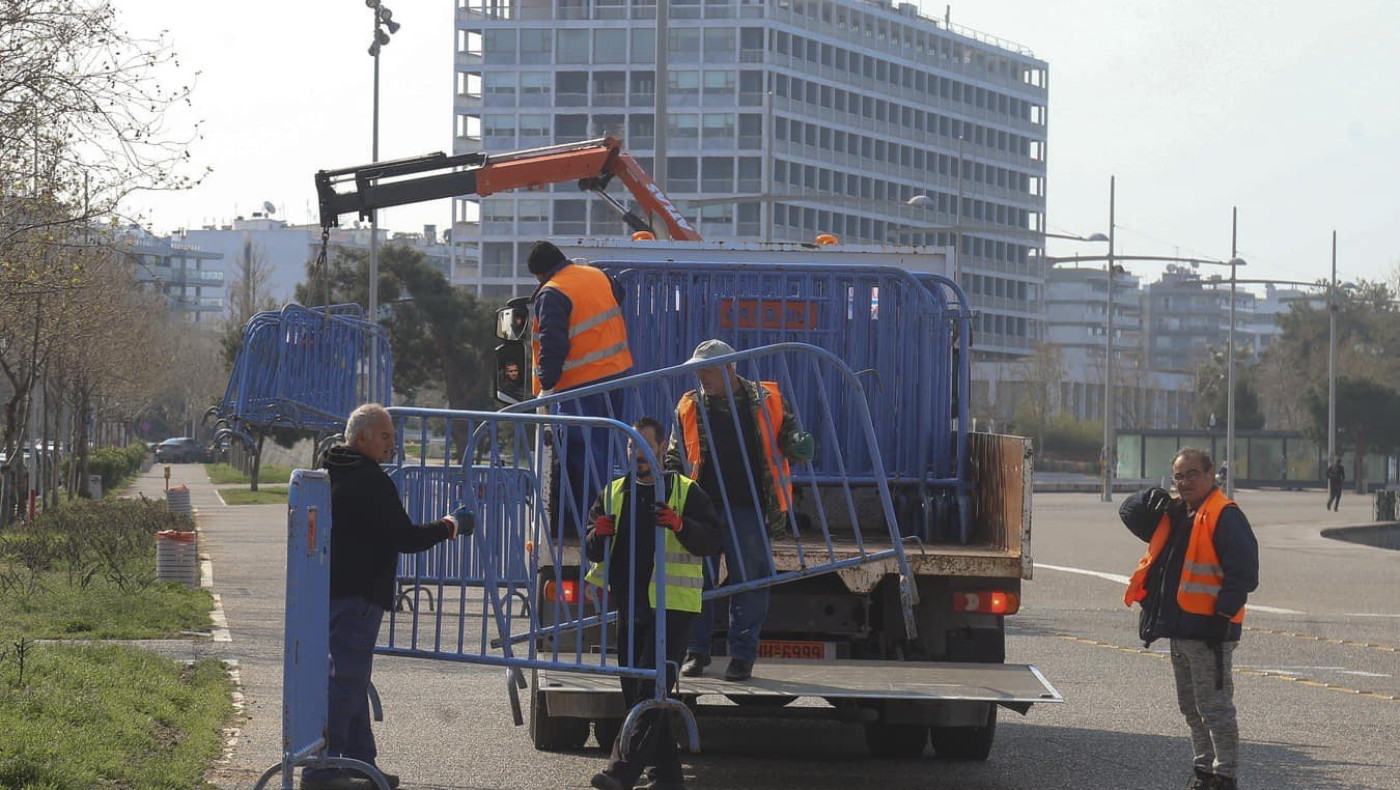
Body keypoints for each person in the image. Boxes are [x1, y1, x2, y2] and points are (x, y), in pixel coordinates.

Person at [303, 404, 474, 790]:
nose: (391, 444)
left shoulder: (328, 470)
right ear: (361, 436)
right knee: (347, 681)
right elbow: (406, 537)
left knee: (353, 679)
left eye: (393, 437)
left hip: (329, 591)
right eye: (385, 436)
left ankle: (362, 765)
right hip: (360, 596)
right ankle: (322, 771)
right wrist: (451, 525)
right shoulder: (371, 480)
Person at [584, 417, 722, 790]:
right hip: (630, 606)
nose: (639, 454)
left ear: (662, 449)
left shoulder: (685, 491)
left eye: (646, 447)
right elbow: (592, 547)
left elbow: (713, 541)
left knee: (651, 692)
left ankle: (620, 773)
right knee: (635, 690)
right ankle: (667, 777)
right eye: (633, 447)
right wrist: (596, 536)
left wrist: (681, 526)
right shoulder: (614, 492)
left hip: (671, 609)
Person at [667, 339, 814, 682]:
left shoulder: (766, 400)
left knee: (751, 581)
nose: (700, 375)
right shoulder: (689, 405)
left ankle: (742, 656)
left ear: (730, 368)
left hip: (748, 506)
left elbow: (789, 434)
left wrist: (798, 444)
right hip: (701, 507)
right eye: (697, 369)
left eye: (707, 369)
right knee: (694, 581)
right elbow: (676, 455)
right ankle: (696, 651)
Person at [1119, 448, 1259, 790]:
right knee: (1191, 707)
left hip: (1210, 631)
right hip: (1181, 628)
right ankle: (1203, 771)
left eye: (1192, 474)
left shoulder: (1224, 514)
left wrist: (1222, 618)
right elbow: (1128, 513)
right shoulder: (1180, 513)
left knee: (1215, 708)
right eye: (1179, 477)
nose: (1185, 482)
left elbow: (1245, 573)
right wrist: (1150, 497)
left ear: (1212, 474)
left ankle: (1224, 775)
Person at [528, 240, 634, 532]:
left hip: (580, 385)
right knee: (602, 452)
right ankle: (602, 516)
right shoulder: (595, 275)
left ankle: (587, 524)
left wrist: (546, 386)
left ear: (540, 274)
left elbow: (553, 344)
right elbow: (617, 295)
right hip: (618, 374)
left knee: (580, 455)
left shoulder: (552, 293)